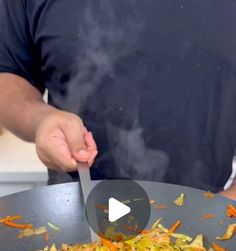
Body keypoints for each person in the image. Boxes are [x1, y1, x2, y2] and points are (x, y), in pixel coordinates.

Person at [0, 0, 235, 199]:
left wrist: (226, 207)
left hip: (210, 222)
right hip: (73, 223)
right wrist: (41, 119)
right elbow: (7, 73)